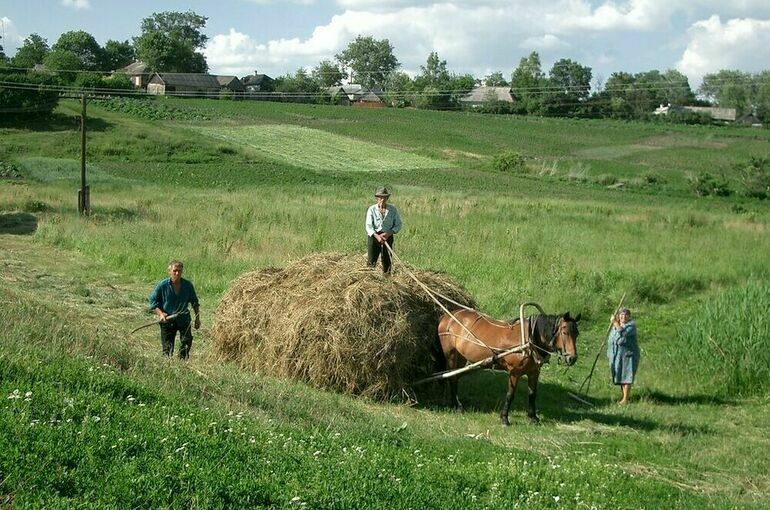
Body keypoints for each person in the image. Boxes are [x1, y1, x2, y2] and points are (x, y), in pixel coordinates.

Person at [148, 260, 200, 359]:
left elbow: (195, 303)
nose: (177, 273)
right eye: (175, 270)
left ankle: (182, 363)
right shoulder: (162, 286)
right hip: (167, 320)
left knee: (186, 341)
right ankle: (167, 366)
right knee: (167, 348)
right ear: (169, 271)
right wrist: (161, 314)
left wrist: (197, 318)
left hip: (183, 319)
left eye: (179, 271)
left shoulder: (187, 286)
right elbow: (152, 302)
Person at [365, 186, 402, 273]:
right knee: (371, 260)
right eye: (380, 197)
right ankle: (369, 279)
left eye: (384, 197)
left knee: (387, 260)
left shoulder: (392, 209)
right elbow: (368, 226)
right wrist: (377, 236)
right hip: (374, 236)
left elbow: (398, 224)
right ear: (377, 198)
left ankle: (387, 279)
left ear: (387, 198)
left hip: (387, 236)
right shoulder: (371, 209)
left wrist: (388, 233)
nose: (382, 199)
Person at [607, 307, 639, 405]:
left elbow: (623, 333)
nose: (623, 316)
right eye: (621, 314)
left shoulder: (631, 326)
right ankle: (623, 397)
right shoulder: (615, 326)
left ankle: (625, 399)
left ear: (629, 317)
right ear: (618, 315)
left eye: (626, 315)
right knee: (620, 376)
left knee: (627, 376)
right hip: (617, 355)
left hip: (628, 355)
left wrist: (615, 322)